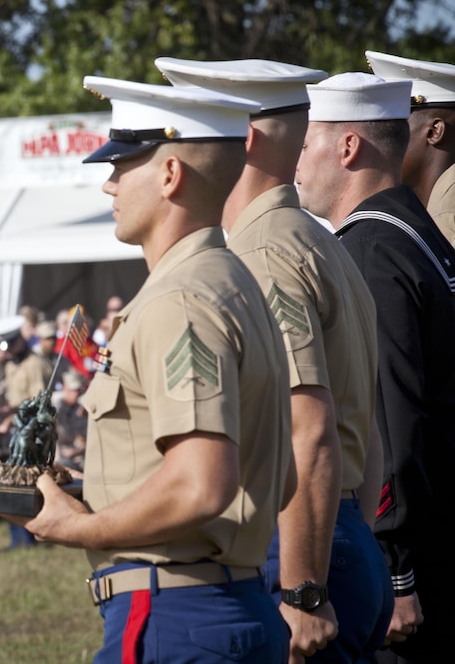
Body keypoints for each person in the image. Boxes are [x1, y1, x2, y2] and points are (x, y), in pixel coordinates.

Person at [10, 76, 294, 662]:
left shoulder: (180, 299)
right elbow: (275, 477)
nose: (109, 182)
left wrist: (78, 527)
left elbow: (201, 482)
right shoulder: (230, 280)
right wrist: (97, 493)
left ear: (170, 175)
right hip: (222, 602)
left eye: (121, 164)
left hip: (176, 612)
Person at [157, 56, 393, 662]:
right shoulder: (317, 239)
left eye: (191, 130)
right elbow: (364, 428)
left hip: (298, 544)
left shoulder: (262, 254)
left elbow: (308, 430)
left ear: (247, 139)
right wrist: (342, 538)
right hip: (331, 531)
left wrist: (304, 588)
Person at [296, 73, 455, 663]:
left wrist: (396, 573)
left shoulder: (370, 249)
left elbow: (391, 423)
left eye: (308, 141)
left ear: (347, 148)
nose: (297, 160)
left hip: (418, 564)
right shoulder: (414, 233)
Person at [366, 51, 455, 245]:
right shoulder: (435, 205)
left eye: (395, 125)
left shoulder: (449, 209)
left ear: (434, 132)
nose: (382, 137)